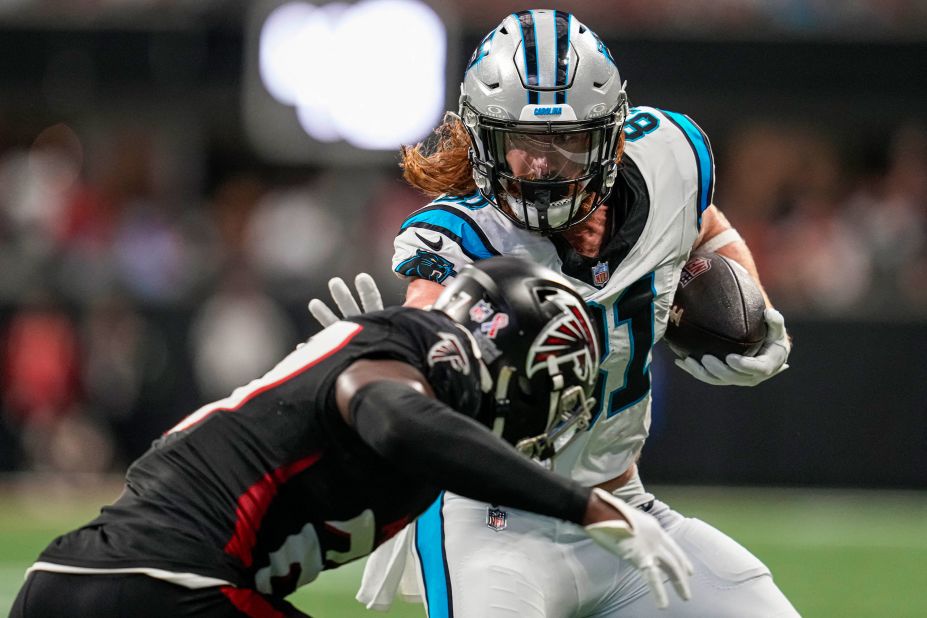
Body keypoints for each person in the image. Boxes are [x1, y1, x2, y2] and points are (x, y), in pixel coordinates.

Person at [313, 9, 797, 617]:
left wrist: (745, 293)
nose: (541, 167)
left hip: (625, 511)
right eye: (522, 143)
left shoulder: (671, 159)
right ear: (481, 139)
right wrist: (380, 368)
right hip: (489, 524)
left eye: (564, 141)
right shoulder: (460, 239)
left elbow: (703, 225)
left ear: (611, 138)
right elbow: (424, 341)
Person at [11, 257, 693, 618]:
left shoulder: (410, 362)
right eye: (551, 394)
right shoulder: (424, 354)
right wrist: (585, 505)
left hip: (81, 585)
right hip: (157, 585)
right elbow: (393, 417)